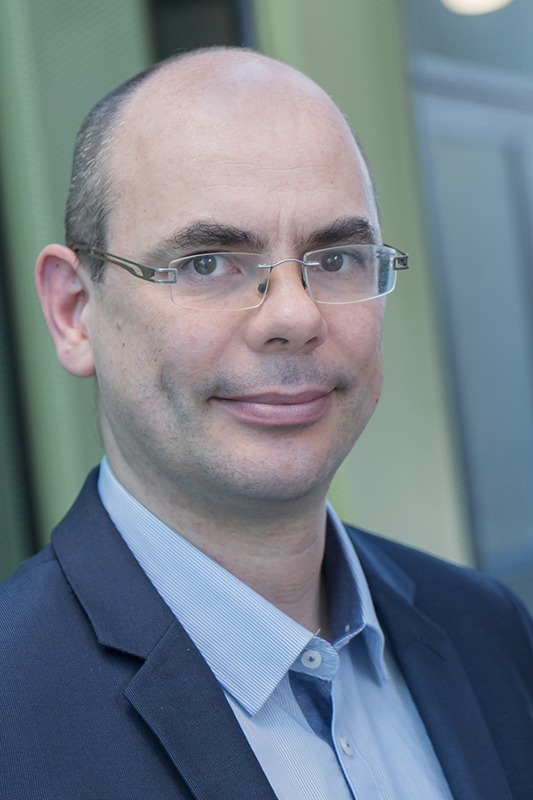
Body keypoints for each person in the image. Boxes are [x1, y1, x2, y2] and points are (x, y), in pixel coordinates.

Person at [0, 47, 531, 800]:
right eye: (207, 263)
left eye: (336, 258)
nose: (294, 315)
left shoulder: (488, 630)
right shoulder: (14, 713)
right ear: (74, 311)